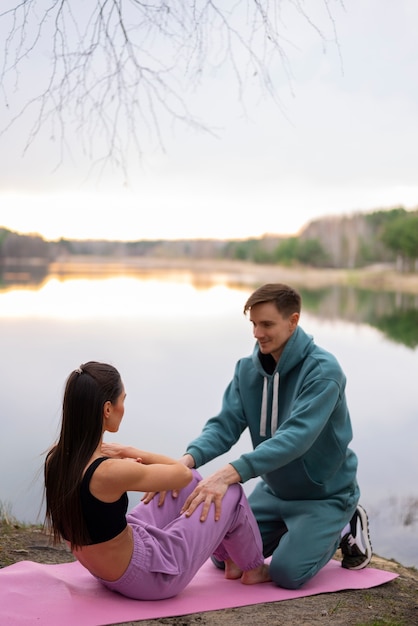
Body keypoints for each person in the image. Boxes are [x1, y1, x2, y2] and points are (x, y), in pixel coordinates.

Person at [146, 283, 372, 590]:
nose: (257, 333)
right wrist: (185, 463)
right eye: (253, 324)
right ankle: (292, 532)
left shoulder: (323, 372)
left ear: (293, 321)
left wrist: (230, 473)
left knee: (287, 574)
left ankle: (344, 524)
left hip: (323, 495)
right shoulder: (246, 371)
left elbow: (296, 437)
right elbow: (224, 426)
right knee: (220, 555)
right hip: (274, 491)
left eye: (267, 324)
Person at [44, 361, 270, 601]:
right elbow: (181, 473)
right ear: (107, 409)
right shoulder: (109, 470)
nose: (124, 407)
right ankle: (254, 568)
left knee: (193, 481)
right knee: (228, 490)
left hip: (106, 571)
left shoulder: (56, 458)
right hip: (150, 578)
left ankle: (229, 560)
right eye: (123, 399)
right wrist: (128, 451)